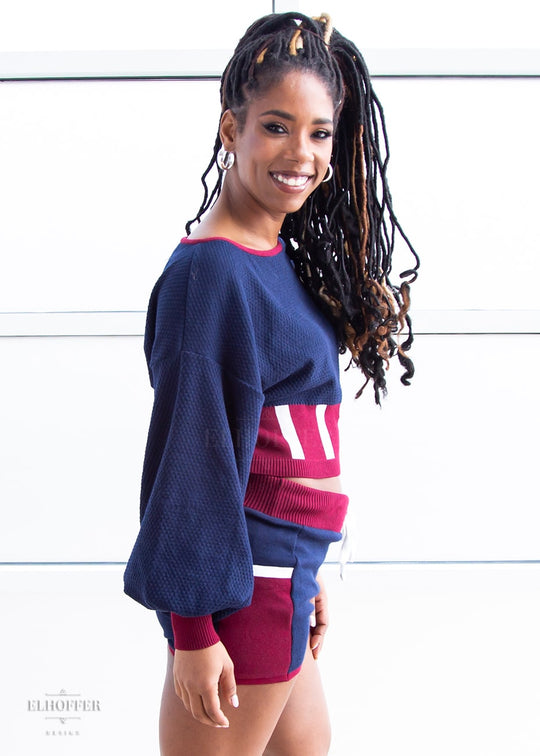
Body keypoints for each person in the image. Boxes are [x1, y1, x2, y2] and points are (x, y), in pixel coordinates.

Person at [124, 11, 419, 756]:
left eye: (319, 132)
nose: (303, 153)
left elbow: (284, 439)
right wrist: (192, 632)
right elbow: (190, 463)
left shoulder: (271, 256)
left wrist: (307, 570)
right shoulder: (212, 274)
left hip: (283, 577)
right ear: (231, 129)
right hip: (238, 593)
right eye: (276, 126)